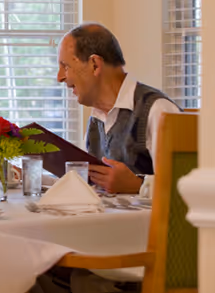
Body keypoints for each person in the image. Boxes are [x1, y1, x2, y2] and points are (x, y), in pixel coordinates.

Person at [56, 23, 180, 194]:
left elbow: (183, 188)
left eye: (66, 66)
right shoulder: (96, 120)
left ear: (95, 65)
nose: (60, 77)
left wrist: (137, 186)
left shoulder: (158, 110)